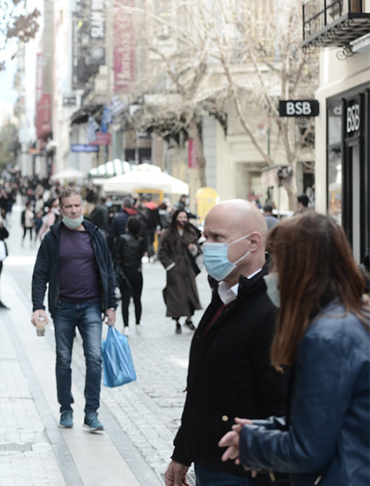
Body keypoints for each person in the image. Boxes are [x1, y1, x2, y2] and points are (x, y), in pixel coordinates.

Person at [217, 213, 369, 486]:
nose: (271, 274)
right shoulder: (352, 317)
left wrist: (252, 442)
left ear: (300, 269)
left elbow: (307, 449)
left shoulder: (326, 337)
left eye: (276, 263)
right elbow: (327, 418)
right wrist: (264, 430)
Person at [164, 199, 290, 486]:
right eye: (206, 236)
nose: (207, 245)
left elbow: (280, 402)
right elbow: (200, 385)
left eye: (218, 238)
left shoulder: (272, 306)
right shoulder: (224, 295)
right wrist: (183, 451)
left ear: (253, 243)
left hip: (244, 469)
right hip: (209, 461)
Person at [31, 187, 118, 432]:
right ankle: (66, 409)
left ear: (83, 207)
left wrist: (111, 305)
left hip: (91, 306)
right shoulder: (52, 238)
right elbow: (39, 274)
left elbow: (108, 271)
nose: (73, 210)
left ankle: (91, 412)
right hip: (63, 308)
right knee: (63, 359)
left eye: (77, 206)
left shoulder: (95, 234)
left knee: (95, 358)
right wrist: (38, 307)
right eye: (68, 206)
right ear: (60, 209)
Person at [157, 209, 203, 334]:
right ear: (175, 218)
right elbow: (162, 252)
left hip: (188, 269)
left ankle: (189, 319)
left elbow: (198, 250)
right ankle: (176, 321)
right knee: (175, 296)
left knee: (190, 294)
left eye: (185, 217)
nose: (183, 219)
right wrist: (170, 265)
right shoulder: (168, 234)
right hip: (175, 270)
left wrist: (194, 249)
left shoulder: (191, 233)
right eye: (180, 217)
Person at [114, 216, 146, 336]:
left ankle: (126, 326)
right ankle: (137, 323)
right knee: (137, 299)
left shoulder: (122, 239)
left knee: (125, 301)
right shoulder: (141, 240)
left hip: (125, 273)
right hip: (137, 272)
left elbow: (116, 254)